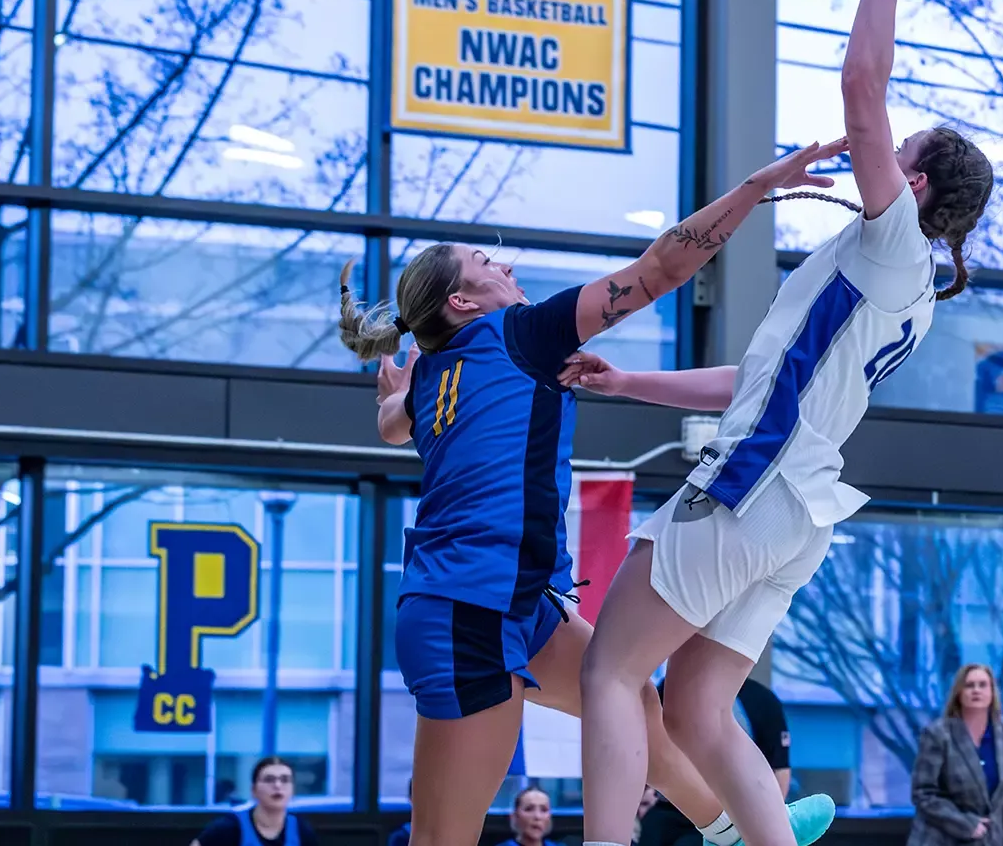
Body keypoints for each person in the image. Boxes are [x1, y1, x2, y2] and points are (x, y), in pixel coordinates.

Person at [573, 0, 996, 846]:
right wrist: (630, 381)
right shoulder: (907, 293)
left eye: (899, 151)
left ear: (919, 185)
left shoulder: (893, 242)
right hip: (796, 514)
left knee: (610, 671)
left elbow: (862, 79)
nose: (876, 151)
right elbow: (755, 380)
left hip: (753, 487)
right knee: (697, 710)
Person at [342, 139, 847, 846]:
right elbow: (662, 267)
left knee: (635, 698)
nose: (506, 265)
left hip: (518, 602)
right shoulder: (518, 333)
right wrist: (756, 188)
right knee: (442, 839)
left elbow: (394, 428)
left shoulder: (432, 373)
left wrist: (391, 400)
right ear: (463, 300)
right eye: (488, 264)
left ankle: (735, 829)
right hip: (466, 611)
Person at [642, 679, 795, 846]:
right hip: (670, 805)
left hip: (731, 810)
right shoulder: (669, 688)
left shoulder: (760, 700)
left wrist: (769, 823)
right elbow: (648, 743)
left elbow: (779, 770)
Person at [907, 664, 1003, 846]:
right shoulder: (938, 734)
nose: (976, 690)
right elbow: (923, 793)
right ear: (959, 692)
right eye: (969, 685)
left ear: (992, 692)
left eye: (982, 685)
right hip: (941, 839)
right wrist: (965, 824)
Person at [191, 757, 317, 846]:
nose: (278, 785)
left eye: (285, 780)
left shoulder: (301, 830)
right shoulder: (229, 828)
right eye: (269, 780)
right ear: (254, 790)